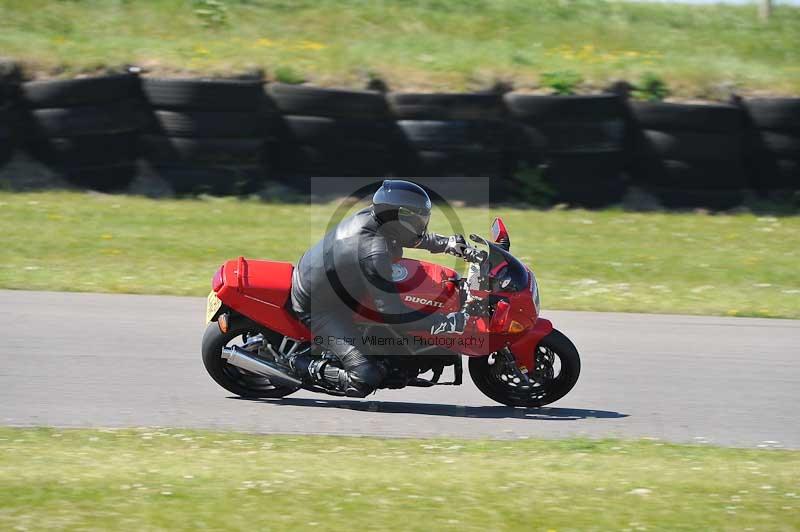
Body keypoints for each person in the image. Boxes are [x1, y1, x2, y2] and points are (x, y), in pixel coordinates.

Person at [289, 180, 469, 397]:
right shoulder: (374, 252)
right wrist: (447, 322)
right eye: (415, 219)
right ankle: (296, 364)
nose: (420, 224)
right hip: (320, 306)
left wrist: (446, 244)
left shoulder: (377, 219)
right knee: (366, 376)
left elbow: (406, 235)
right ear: (396, 219)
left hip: (333, 283)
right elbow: (395, 315)